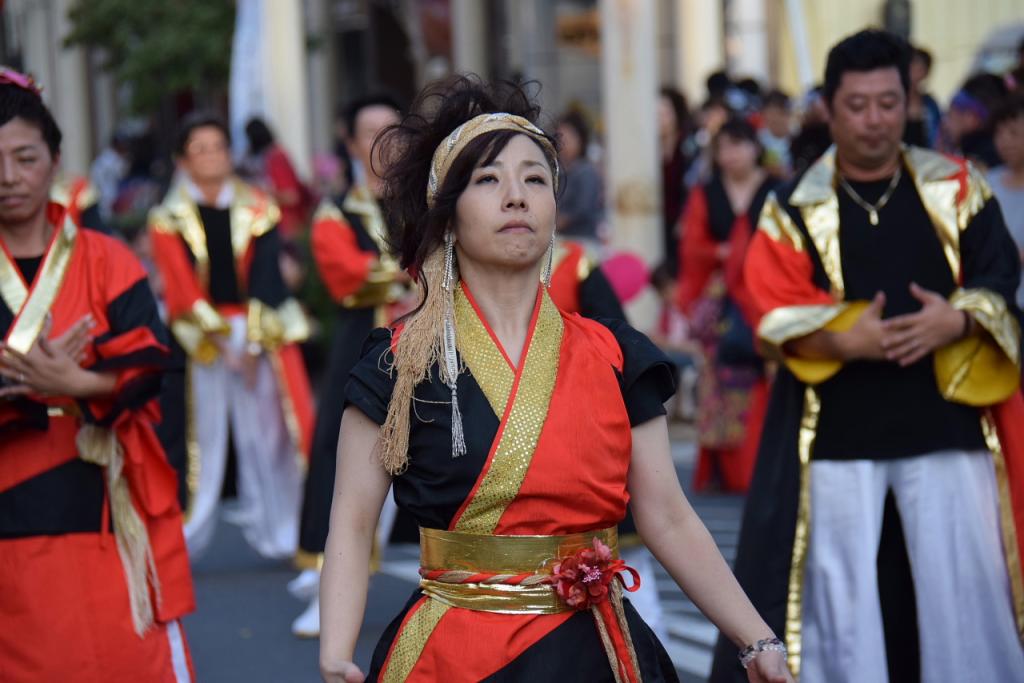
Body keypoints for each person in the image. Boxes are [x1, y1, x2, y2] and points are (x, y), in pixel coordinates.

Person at [318, 76, 792, 683]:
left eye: (534, 179)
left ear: (554, 208)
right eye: (488, 181)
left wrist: (755, 639)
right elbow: (354, 523)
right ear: (448, 216)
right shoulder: (397, 362)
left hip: (596, 651)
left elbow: (668, 516)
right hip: (452, 654)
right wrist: (335, 654)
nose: (516, 196)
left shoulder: (617, 355)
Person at [710, 30, 1024, 683]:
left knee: (963, 595)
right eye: (858, 105)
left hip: (949, 430)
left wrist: (956, 318)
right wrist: (844, 338)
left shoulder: (958, 188)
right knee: (842, 611)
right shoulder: (794, 204)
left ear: (908, 99)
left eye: (889, 102)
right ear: (829, 106)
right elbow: (769, 304)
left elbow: (999, 276)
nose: (876, 119)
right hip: (835, 441)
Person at [0, 68, 195, 682]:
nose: (9, 178)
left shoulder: (106, 258)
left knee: (118, 653)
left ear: (56, 159)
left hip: (103, 496)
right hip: (10, 497)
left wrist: (77, 384)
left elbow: (150, 364)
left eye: (26, 157)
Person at [147, 112, 314, 561]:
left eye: (218, 147)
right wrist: (222, 343)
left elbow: (267, 278)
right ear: (183, 159)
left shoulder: (259, 207)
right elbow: (180, 287)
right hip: (200, 335)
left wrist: (254, 343)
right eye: (199, 149)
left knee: (270, 433)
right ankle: (189, 533)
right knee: (203, 435)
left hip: (258, 328)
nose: (211, 157)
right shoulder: (167, 218)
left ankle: (285, 531)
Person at [291, 93, 409, 637]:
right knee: (345, 456)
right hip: (364, 343)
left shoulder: (427, 201)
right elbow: (344, 272)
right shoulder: (337, 210)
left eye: (394, 132)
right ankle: (328, 583)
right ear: (351, 143)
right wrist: (408, 275)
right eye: (371, 134)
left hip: (429, 340)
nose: (385, 145)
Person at [677, 117, 774, 494]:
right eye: (724, 148)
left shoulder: (776, 187)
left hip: (765, 293)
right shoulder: (707, 191)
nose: (731, 155)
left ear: (755, 147)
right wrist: (726, 253)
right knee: (720, 381)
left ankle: (761, 464)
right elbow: (693, 246)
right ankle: (725, 469)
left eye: (739, 145)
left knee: (764, 374)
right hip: (720, 302)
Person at [243, 117, 313, 240]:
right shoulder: (264, 156)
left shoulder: (276, 157)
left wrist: (264, 192)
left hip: (286, 225)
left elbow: (291, 196)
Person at [990, 94, 1024, 312]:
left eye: (1013, 133)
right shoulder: (986, 182)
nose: (1004, 141)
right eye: (998, 133)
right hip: (996, 308)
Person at [658, 87, 693, 277]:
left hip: (683, 224)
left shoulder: (688, 147)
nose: (660, 118)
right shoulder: (646, 149)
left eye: (665, 112)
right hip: (657, 222)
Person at [555, 110, 603, 243]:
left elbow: (583, 208)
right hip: (563, 241)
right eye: (560, 139)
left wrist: (559, 221)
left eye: (568, 139)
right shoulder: (560, 171)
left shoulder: (586, 170)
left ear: (580, 140)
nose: (563, 144)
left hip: (583, 241)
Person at [903, 47, 942, 148]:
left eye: (920, 68)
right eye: (911, 65)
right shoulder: (894, 101)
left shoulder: (930, 105)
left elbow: (937, 138)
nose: (914, 71)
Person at [759, 90, 793, 178]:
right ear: (763, 114)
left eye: (781, 113)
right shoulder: (758, 141)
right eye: (772, 113)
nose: (777, 119)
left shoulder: (799, 137)